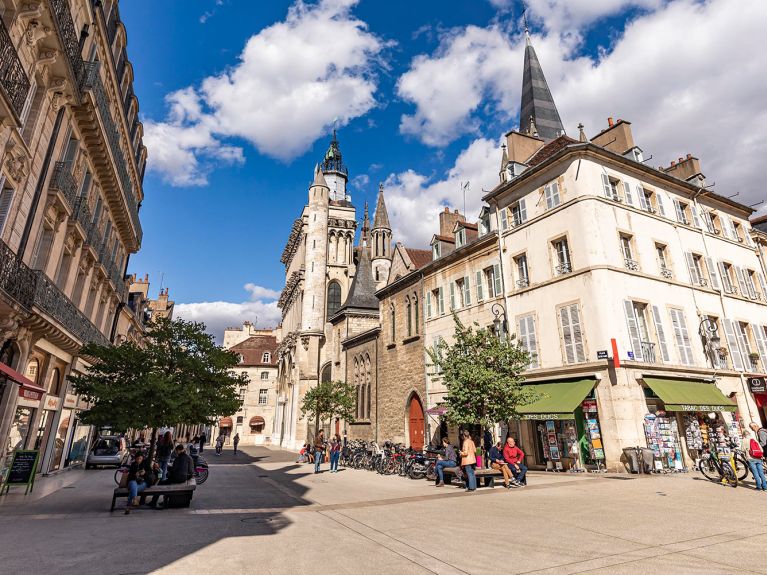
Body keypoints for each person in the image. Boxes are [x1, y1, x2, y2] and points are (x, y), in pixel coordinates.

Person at [150, 444, 195, 509]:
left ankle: (154, 502)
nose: (176, 453)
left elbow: (174, 470)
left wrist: (169, 469)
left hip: (177, 478)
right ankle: (164, 500)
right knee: (167, 482)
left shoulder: (178, 458)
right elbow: (191, 471)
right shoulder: (189, 458)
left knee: (161, 483)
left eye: (176, 451)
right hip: (184, 478)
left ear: (179, 450)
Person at [744, 424, 767, 491]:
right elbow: (761, 449)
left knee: (755, 473)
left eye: (751, 427)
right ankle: (765, 487)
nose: (751, 429)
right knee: (761, 473)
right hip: (758, 458)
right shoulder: (754, 439)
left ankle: (758, 487)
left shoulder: (744, 440)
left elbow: (742, 450)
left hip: (751, 459)